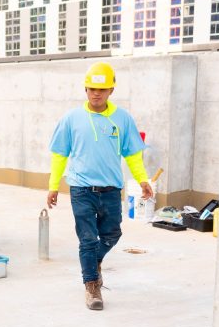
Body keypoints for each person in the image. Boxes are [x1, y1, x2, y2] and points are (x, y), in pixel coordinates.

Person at [46, 61, 153, 311]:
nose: (96, 93)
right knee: (87, 240)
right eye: (92, 88)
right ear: (85, 89)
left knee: (112, 234)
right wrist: (53, 186)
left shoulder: (122, 119)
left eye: (102, 89)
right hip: (81, 189)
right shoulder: (71, 119)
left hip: (111, 190)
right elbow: (59, 155)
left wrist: (142, 180)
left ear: (111, 91)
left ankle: (92, 264)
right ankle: (92, 287)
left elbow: (132, 154)